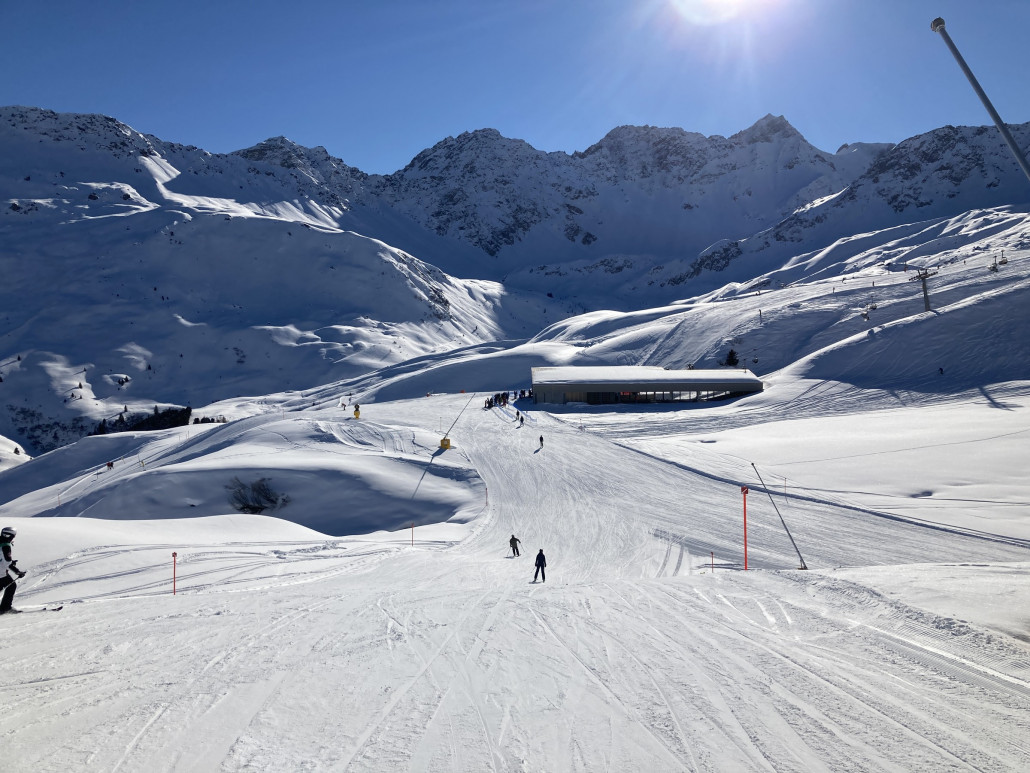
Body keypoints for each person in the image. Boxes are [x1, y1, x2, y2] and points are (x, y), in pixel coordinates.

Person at [0, 526, 26, 614]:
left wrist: (10, 562)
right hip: (1, 573)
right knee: (11, 586)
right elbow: (7, 563)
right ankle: (5, 608)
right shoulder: (6, 546)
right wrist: (17, 572)